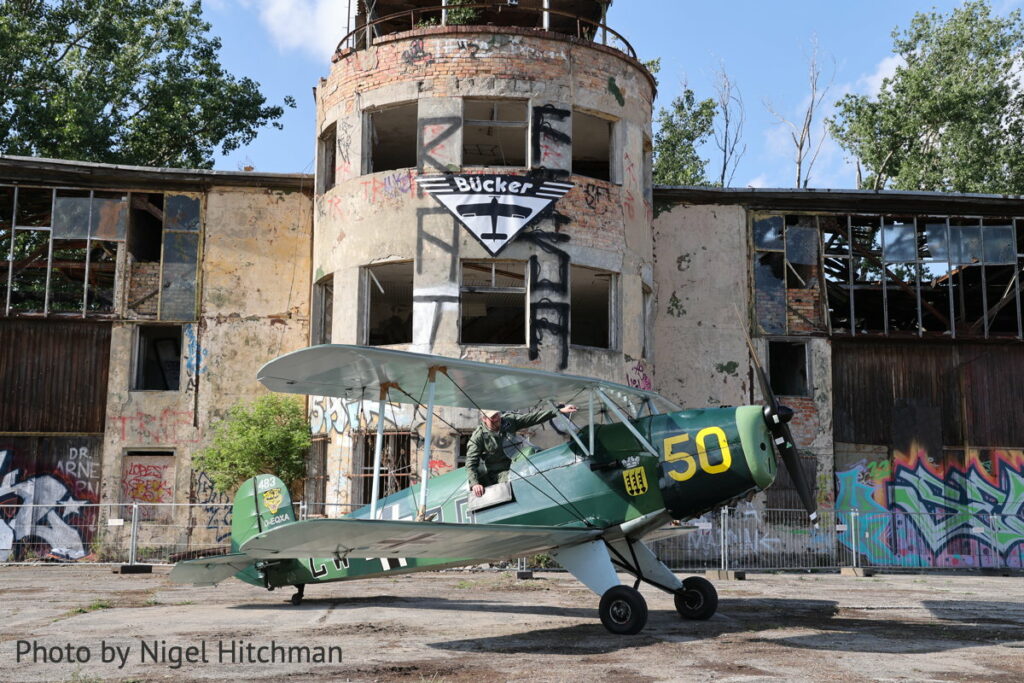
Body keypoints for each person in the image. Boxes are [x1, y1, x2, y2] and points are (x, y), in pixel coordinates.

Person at [466, 404, 578, 496]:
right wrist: (475, 483)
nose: (496, 419)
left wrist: (558, 411)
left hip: (516, 462)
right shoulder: (478, 436)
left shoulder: (508, 421)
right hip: (499, 472)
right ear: (484, 419)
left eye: (497, 415)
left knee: (532, 453)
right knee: (517, 480)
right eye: (492, 417)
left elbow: (533, 418)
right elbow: (470, 462)